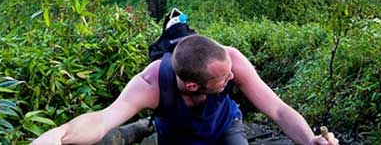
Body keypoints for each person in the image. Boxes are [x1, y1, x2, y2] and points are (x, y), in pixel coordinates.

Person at [30, 34, 339, 145]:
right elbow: (104, 119)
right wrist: (60, 136)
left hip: (225, 127)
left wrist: (309, 139)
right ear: (192, 85)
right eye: (224, 79)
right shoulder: (150, 84)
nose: (232, 77)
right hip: (175, 136)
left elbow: (277, 109)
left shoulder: (230, 60)